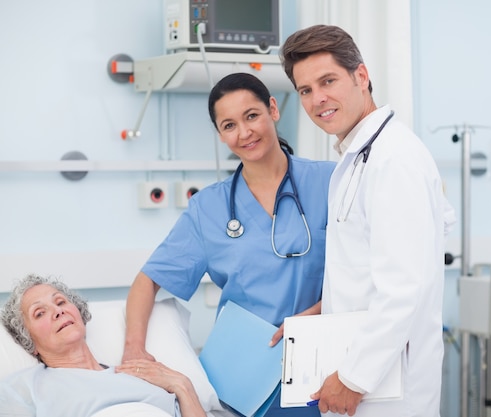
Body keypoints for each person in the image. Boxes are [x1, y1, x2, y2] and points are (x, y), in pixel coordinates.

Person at [123, 72, 335, 417]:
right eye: (229, 125)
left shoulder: (330, 181)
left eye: (252, 116)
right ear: (220, 135)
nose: (244, 133)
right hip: (246, 374)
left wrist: (314, 314)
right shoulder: (209, 209)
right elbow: (147, 281)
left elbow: (369, 271)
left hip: (323, 359)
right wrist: (134, 349)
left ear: (272, 110)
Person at [280, 25, 456, 416]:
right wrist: (325, 311)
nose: (317, 99)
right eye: (305, 90)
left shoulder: (394, 159)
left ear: (361, 76)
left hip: (387, 386)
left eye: (328, 81)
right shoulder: (361, 154)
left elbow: (403, 286)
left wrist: (353, 379)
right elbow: (372, 267)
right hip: (366, 368)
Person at [0, 274, 206, 417]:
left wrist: (183, 386)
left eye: (61, 302)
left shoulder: (144, 374)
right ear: (28, 340)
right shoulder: (25, 387)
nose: (58, 311)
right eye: (40, 313)